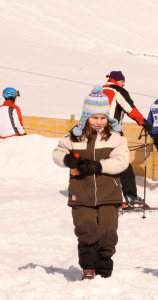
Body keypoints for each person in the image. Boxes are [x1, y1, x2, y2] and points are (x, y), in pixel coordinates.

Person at [52, 85, 128, 280]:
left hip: (108, 194)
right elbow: (57, 152)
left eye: (103, 118)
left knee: (107, 233)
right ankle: (88, 267)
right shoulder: (74, 137)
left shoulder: (115, 138)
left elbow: (122, 161)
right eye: (95, 118)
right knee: (86, 230)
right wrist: (67, 160)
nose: (99, 122)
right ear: (86, 116)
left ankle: (103, 269)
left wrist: (99, 166)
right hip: (81, 193)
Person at [103, 71, 152, 207]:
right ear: (117, 81)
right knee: (123, 163)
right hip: (111, 132)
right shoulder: (117, 91)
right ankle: (131, 197)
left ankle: (103, 196)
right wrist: (145, 123)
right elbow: (130, 109)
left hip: (94, 133)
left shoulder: (98, 91)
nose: (124, 84)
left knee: (103, 164)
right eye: (123, 81)